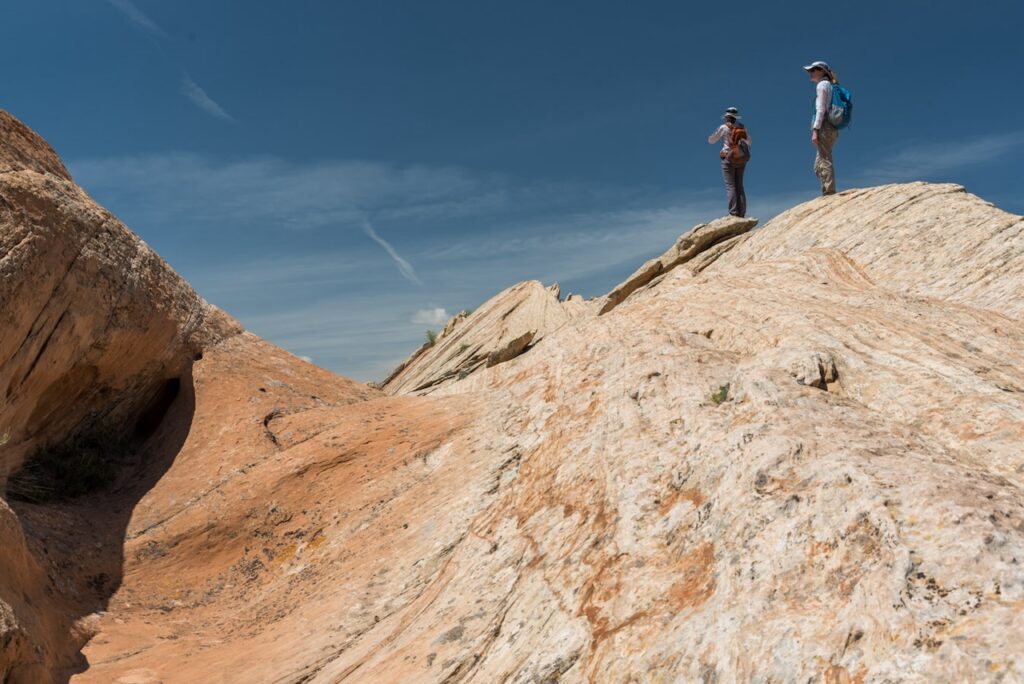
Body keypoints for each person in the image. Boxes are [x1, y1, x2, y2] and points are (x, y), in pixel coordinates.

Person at [804, 60, 839, 195]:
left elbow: (820, 109)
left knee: (824, 160)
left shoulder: (822, 85)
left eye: (813, 70)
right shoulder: (830, 85)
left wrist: (815, 129)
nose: (810, 73)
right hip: (832, 128)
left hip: (824, 126)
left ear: (821, 71)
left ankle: (829, 192)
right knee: (818, 166)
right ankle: (826, 189)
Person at [708, 107, 750, 217]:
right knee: (739, 186)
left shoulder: (724, 127)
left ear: (727, 117)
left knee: (731, 186)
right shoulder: (742, 127)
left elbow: (711, 141)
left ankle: (733, 213)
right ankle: (742, 213)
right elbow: (749, 142)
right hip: (741, 158)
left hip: (728, 157)